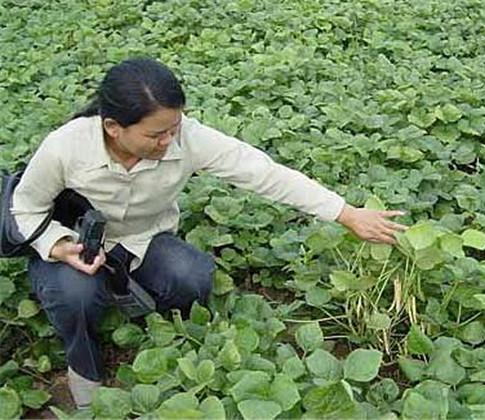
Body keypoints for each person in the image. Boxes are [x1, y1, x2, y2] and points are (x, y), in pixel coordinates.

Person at [11, 58, 407, 408]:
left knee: (193, 277)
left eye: (174, 128)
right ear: (113, 127)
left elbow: (262, 172)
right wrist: (60, 246)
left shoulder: (188, 138)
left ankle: (159, 331)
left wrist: (345, 213)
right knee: (75, 294)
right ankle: (85, 366)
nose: (169, 141)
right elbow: (25, 207)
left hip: (143, 238)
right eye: (156, 135)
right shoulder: (65, 147)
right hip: (76, 241)